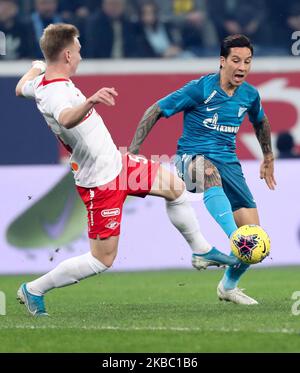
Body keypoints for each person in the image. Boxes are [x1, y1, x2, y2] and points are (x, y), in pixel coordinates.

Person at [15, 23, 237, 317]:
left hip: (118, 163)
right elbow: (67, 118)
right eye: (78, 51)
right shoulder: (55, 93)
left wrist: (35, 67)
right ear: (67, 55)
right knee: (102, 260)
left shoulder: (42, 83)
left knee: (176, 188)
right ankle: (34, 289)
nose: (81, 56)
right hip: (99, 181)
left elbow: (20, 89)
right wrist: (92, 100)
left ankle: (200, 250)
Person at [129, 34, 276, 305]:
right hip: (190, 159)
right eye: (235, 60)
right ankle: (233, 242)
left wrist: (267, 155)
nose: (242, 67)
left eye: (247, 61)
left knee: (256, 238)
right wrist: (133, 151)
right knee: (209, 174)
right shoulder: (200, 88)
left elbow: (260, 121)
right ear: (222, 61)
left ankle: (228, 287)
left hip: (229, 164)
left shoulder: (250, 95)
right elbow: (155, 110)